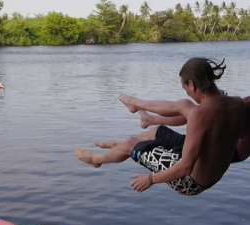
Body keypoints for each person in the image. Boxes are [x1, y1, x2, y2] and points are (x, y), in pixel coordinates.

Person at [75, 57, 247, 196]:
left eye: (185, 88)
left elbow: (185, 167)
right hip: (210, 174)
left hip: (190, 181)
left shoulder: (199, 114)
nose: (187, 93)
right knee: (157, 132)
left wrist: (150, 180)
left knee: (130, 144)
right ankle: (132, 131)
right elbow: (240, 134)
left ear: (192, 85)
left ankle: (96, 160)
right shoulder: (237, 104)